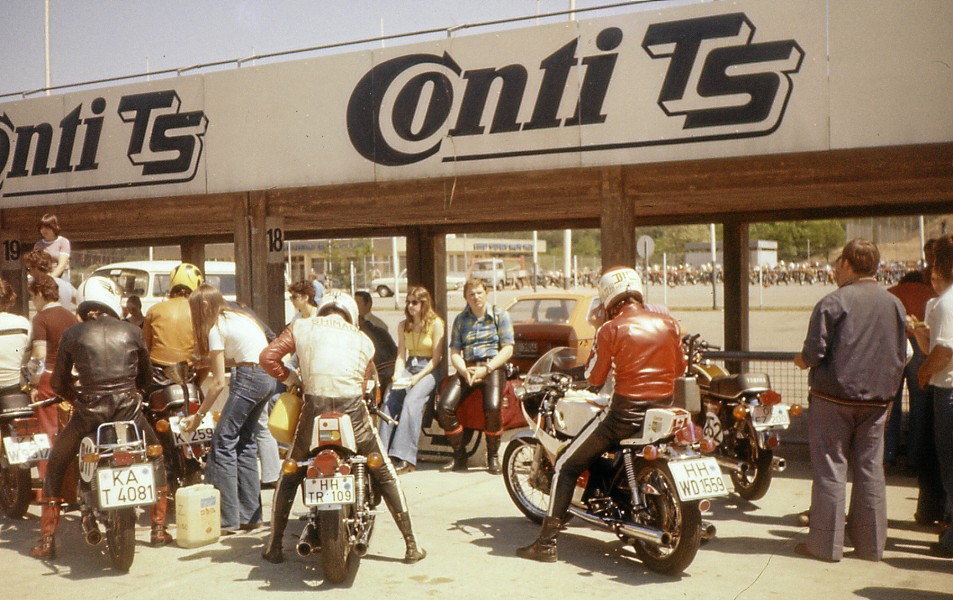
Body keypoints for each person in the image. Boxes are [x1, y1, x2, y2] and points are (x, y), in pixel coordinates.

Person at [516, 266, 685, 562]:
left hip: (623, 417)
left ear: (608, 296)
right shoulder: (669, 323)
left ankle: (545, 545)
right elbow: (680, 368)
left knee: (566, 465)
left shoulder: (612, 329)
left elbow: (594, 377)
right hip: (662, 410)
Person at [259, 290, 426, 564]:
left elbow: (268, 357)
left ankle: (274, 546)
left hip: (314, 410)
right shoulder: (363, 340)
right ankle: (410, 545)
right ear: (351, 315)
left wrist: (292, 379)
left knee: (290, 473)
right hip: (353, 412)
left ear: (323, 309)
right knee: (384, 471)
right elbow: (366, 387)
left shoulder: (301, 326)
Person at [30, 277, 171, 559]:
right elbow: (145, 377)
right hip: (130, 413)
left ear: (85, 302)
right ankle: (158, 529)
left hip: (89, 414)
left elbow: (57, 384)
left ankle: (46, 540)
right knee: (156, 457)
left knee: (56, 465)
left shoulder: (73, 334)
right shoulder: (133, 331)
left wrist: (77, 398)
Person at [793, 239, 908, 563]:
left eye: (836, 264)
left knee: (831, 469)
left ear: (846, 264)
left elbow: (814, 353)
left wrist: (800, 361)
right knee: (871, 469)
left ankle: (825, 547)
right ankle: (871, 546)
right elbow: (902, 353)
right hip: (877, 401)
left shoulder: (833, 302)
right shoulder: (894, 304)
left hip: (833, 397)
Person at [180, 284, 276, 533]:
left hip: (249, 378)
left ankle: (227, 519)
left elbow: (218, 384)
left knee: (222, 443)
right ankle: (250, 516)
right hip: (266, 377)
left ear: (202, 306)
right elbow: (247, 354)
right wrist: (209, 360)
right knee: (245, 443)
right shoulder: (239, 316)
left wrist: (197, 417)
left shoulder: (215, 327)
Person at [436, 278, 514, 474]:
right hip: (467, 367)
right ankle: (460, 455)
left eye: (479, 293)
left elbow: (508, 349)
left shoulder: (500, 314)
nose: (476, 297)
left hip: (493, 366)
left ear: (486, 293)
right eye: (471, 294)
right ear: (465, 297)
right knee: (444, 407)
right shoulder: (460, 320)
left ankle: (493, 457)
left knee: (493, 407)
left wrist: (487, 369)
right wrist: (463, 370)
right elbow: (454, 351)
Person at [377, 286, 445, 474]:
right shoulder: (403, 325)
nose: (410, 306)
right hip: (409, 366)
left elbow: (436, 359)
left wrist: (416, 378)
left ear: (424, 303)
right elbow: (401, 354)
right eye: (408, 302)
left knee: (411, 402)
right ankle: (383, 453)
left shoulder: (436, 324)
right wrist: (398, 375)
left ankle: (405, 457)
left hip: (427, 370)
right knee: (390, 397)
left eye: (414, 302)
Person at [913, 234, 953, 557]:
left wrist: (923, 373)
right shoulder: (938, 304)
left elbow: (941, 353)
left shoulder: (945, 303)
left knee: (949, 465)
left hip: (948, 392)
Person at [26, 275, 79, 469]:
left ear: (40, 293)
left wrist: (33, 382)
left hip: (48, 378)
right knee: (67, 429)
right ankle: (69, 480)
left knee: (47, 432)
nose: (33, 301)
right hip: (70, 378)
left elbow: (39, 355)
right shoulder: (70, 316)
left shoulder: (41, 318)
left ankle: (49, 487)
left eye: (32, 296)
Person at [143, 263, 204, 369]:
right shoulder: (199, 312)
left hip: (157, 371)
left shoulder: (154, 310)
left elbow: (145, 347)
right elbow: (204, 350)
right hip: (186, 370)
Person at [355, 290, 398, 395]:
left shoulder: (378, 324)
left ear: (368, 304)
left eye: (358, 303)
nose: (355, 306)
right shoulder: (353, 322)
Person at [33, 213, 70, 281]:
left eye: (47, 227)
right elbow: (37, 264)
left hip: (61, 278)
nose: (43, 230)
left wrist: (51, 279)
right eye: (41, 228)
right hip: (43, 277)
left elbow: (62, 265)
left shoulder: (64, 242)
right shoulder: (38, 245)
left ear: (54, 227)